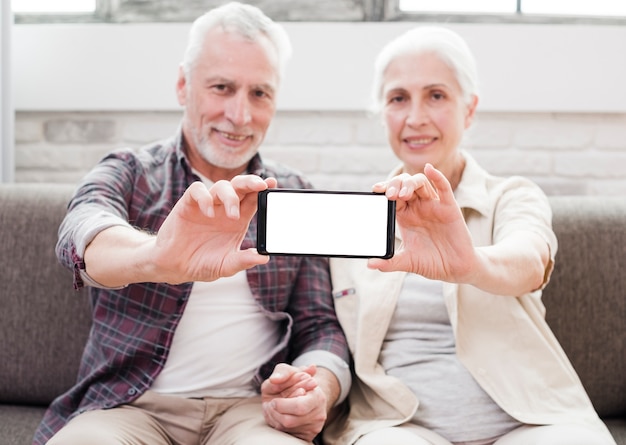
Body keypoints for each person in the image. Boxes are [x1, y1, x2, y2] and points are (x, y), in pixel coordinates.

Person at [33, 3, 350, 444]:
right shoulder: (131, 171)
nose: (240, 115)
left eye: (260, 93)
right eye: (222, 87)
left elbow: (320, 325)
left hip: (250, 412)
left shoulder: (293, 193)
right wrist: (156, 258)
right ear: (183, 85)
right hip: (128, 407)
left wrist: (320, 388)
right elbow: (82, 229)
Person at [322, 26, 616, 445]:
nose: (415, 117)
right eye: (398, 98)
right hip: (400, 429)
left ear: (470, 109)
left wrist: (470, 264)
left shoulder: (511, 196)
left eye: (436, 95)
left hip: (529, 424)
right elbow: (321, 329)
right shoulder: (353, 219)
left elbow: (530, 260)